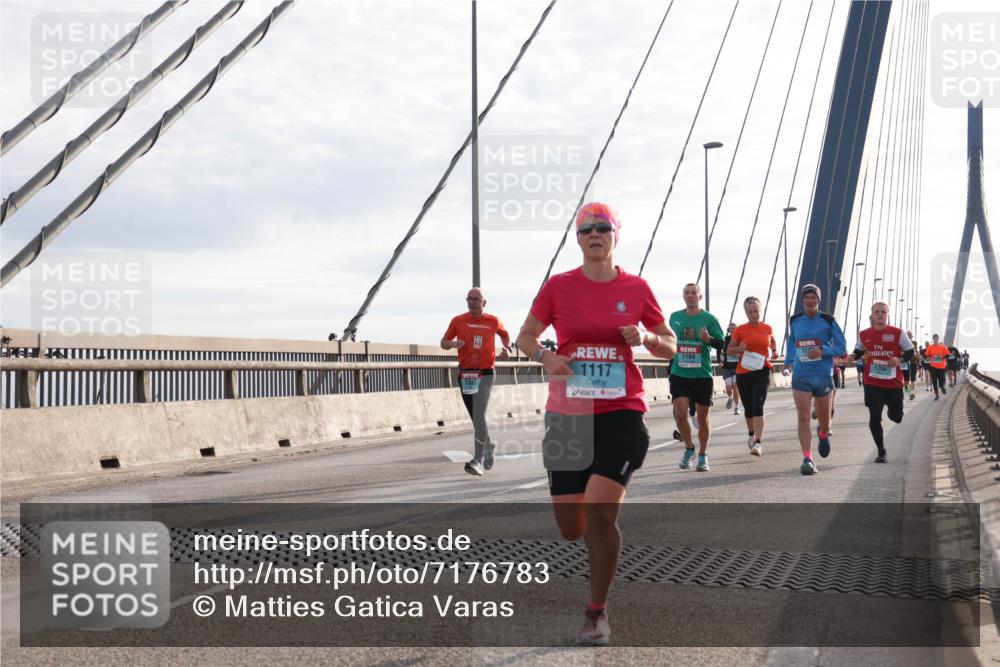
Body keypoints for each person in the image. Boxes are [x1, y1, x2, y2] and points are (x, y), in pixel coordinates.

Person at [515, 202, 677, 646]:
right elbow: (524, 336)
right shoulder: (559, 287)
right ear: (578, 238)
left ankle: (596, 611)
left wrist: (645, 337)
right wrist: (545, 355)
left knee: (602, 511)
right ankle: (595, 543)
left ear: (615, 235)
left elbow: (671, 346)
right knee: (573, 527)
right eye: (585, 229)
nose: (594, 234)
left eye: (602, 227)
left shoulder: (636, 287)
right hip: (569, 416)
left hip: (622, 411)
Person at [441, 288, 511, 476]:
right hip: (466, 374)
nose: (472, 302)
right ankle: (488, 444)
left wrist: (507, 348)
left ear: (484, 303)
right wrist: (453, 344)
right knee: (475, 416)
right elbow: (443, 342)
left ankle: (477, 460)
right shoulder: (458, 320)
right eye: (469, 299)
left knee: (479, 415)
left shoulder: (493, 320)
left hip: (486, 372)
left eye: (476, 299)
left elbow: (504, 335)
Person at [786, 284, 847, 475]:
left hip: (823, 376)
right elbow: (792, 341)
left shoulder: (828, 321)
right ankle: (807, 458)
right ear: (802, 300)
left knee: (825, 421)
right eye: (807, 298)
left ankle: (822, 433)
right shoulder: (795, 320)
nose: (810, 301)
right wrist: (788, 360)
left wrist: (823, 350)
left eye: (814, 298)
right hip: (801, 375)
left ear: (818, 301)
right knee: (803, 416)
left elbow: (841, 347)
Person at [669, 283, 726, 472]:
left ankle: (703, 454)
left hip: (702, 374)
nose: (690, 295)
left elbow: (721, 343)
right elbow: (668, 340)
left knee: (702, 416)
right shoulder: (675, 317)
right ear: (683, 296)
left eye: (694, 293)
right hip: (680, 373)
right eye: (687, 293)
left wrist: (708, 339)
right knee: (680, 413)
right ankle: (689, 448)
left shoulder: (709, 318)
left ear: (699, 297)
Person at [847, 302, 914, 463]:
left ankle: (894, 410)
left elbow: (910, 352)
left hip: (893, 383)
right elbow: (858, 351)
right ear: (872, 314)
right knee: (874, 418)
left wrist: (899, 359)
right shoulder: (864, 334)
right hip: (872, 382)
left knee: (897, 417)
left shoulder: (898, 333)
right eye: (877, 311)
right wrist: (850, 357)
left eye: (883, 312)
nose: (880, 314)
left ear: (888, 314)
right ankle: (881, 451)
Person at [729, 297, 778, 457]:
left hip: (762, 370)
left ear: (760, 310)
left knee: (758, 407)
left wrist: (775, 352)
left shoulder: (767, 328)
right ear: (746, 312)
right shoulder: (740, 330)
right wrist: (738, 348)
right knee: (749, 408)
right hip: (744, 372)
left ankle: (758, 442)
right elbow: (729, 350)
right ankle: (751, 432)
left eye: (756, 311)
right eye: (750, 312)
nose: (753, 314)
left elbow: (773, 344)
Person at [720, 322, 741, 415]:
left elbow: (743, 351)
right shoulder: (727, 339)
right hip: (728, 366)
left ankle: (737, 407)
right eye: (730, 329)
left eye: (734, 328)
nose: (732, 330)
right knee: (728, 388)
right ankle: (730, 397)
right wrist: (721, 360)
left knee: (735, 385)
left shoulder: (740, 339)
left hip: (737, 366)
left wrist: (737, 354)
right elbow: (723, 351)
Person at [924, 334, 950, 400]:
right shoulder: (930, 347)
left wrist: (942, 357)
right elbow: (926, 355)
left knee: (942, 380)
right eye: (934, 338)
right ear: (933, 339)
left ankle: (942, 387)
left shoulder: (943, 346)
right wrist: (929, 358)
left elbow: (947, 354)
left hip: (941, 367)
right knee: (934, 381)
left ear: (938, 339)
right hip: (933, 366)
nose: (935, 339)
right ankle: (937, 395)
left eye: (936, 338)